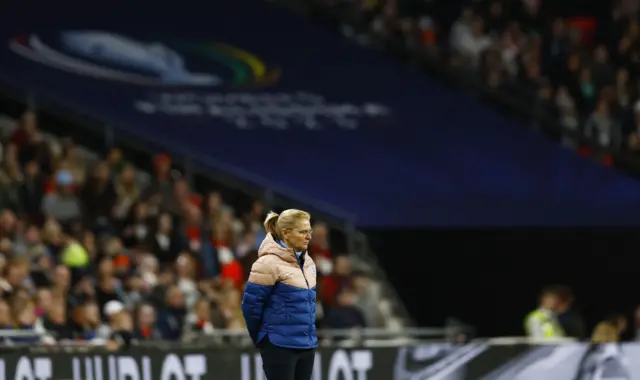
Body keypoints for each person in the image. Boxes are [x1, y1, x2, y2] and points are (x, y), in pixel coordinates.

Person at [242, 209, 317, 380]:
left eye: (309, 231)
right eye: (303, 232)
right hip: (279, 345)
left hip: (306, 345)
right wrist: (262, 339)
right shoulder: (267, 263)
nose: (309, 236)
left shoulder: (309, 263)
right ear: (286, 233)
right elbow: (250, 306)